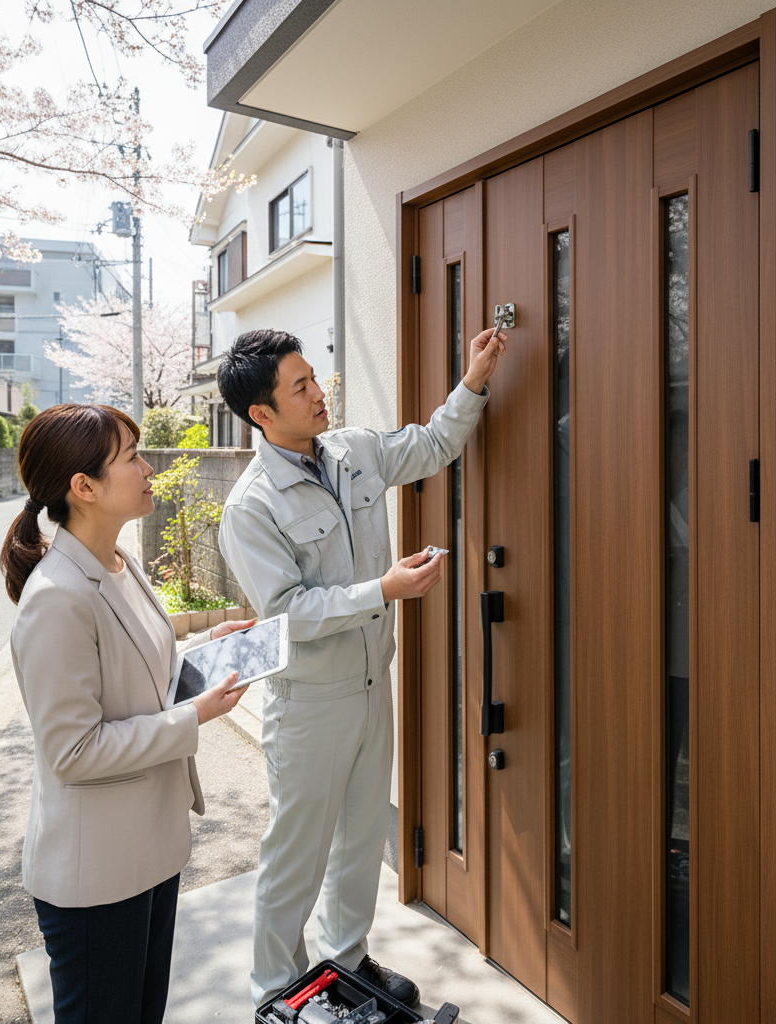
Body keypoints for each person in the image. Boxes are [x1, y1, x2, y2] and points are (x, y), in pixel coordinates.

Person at [216, 326, 506, 1008]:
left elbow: (433, 445)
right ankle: (279, 995)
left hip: (374, 687)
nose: (320, 394)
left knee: (357, 844)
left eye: (314, 378)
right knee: (295, 861)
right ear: (262, 414)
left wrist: (476, 378)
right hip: (310, 705)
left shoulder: (353, 452)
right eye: (300, 388)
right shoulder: (251, 507)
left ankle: (344, 969)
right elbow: (287, 612)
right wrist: (383, 589)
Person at [0, 403, 254, 1024]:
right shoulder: (57, 600)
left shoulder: (117, 562)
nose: (147, 468)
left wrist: (208, 645)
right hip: (96, 878)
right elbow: (73, 752)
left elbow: (142, 666)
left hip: (147, 851)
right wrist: (194, 716)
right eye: (131, 457)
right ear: (83, 487)